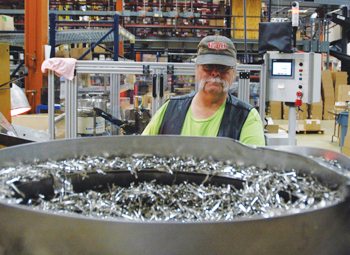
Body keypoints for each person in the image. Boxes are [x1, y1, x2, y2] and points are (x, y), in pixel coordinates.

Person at [142, 35, 265, 146]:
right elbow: (142, 152)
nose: (215, 73)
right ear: (196, 69)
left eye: (223, 68)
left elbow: (255, 166)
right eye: (208, 66)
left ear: (234, 72)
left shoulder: (246, 117)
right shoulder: (170, 109)